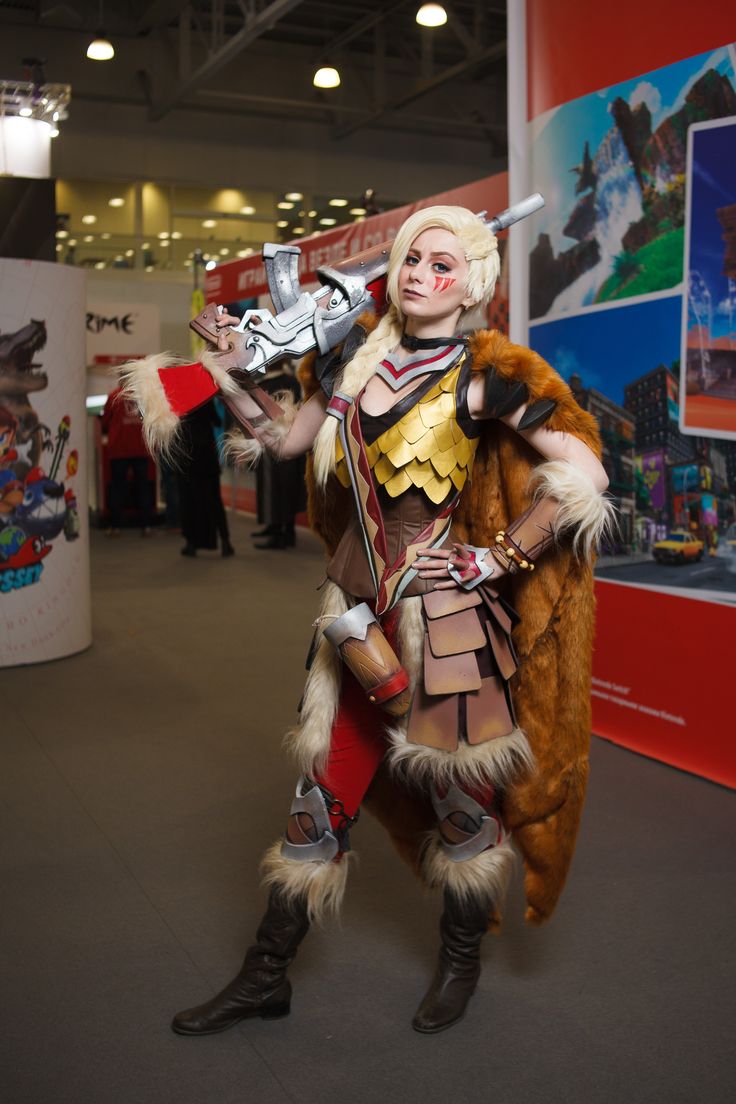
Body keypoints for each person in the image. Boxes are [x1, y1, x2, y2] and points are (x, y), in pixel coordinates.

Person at [132, 206, 613, 1034]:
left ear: (473, 285)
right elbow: (284, 443)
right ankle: (265, 975)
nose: (422, 276)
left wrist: (496, 558)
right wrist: (230, 371)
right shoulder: (356, 361)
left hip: (448, 624)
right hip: (353, 618)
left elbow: (584, 472)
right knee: (320, 796)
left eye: (443, 264)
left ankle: (460, 961)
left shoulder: (490, 373)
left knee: (464, 804)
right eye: (411, 261)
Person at [251, 358, 305, 550]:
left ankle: (283, 532)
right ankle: (276, 528)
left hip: (281, 443)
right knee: (281, 490)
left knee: (281, 490)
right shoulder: (286, 381)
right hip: (279, 444)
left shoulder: (278, 383)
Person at [176, 399, 234, 558]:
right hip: (207, 456)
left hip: (186, 456)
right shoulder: (204, 398)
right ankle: (225, 542)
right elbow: (217, 421)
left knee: (188, 500)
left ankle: (191, 543)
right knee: (214, 499)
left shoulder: (177, 400)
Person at [100, 385, 154, 535]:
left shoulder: (114, 396)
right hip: (140, 448)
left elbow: (104, 422)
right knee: (143, 488)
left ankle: (116, 526)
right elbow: (149, 419)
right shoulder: (143, 395)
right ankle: (146, 526)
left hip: (119, 449)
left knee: (117, 488)